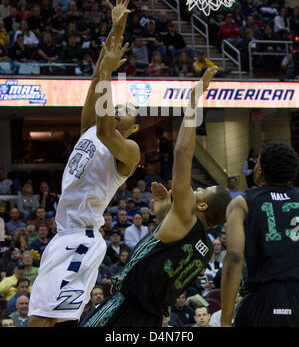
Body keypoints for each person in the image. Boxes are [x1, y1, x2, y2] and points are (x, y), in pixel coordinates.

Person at [81, 67, 232, 327]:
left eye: (200, 192)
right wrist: (164, 214)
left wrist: (194, 100)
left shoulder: (186, 216)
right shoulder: (205, 250)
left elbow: (183, 152)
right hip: (150, 319)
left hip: (125, 310)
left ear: (203, 205)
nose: (194, 191)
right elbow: (166, 259)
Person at [28, 0, 141, 327]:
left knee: (39, 320)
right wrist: (116, 30)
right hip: (63, 237)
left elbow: (108, 130)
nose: (122, 106)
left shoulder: (127, 150)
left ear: (133, 128)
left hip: (81, 238)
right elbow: (96, 79)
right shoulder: (90, 128)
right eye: (120, 104)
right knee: (56, 321)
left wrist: (108, 76)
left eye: (129, 110)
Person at [221, 141, 299, 327]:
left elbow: (234, 257)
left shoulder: (241, 203)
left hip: (261, 300)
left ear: (259, 170)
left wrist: (225, 320)